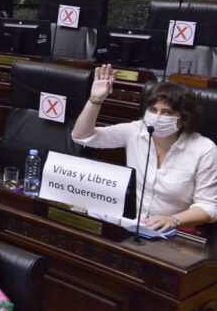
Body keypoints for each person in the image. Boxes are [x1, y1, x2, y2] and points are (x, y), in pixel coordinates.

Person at [71, 67, 217, 233]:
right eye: (153, 110)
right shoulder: (136, 130)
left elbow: (208, 207)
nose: (158, 116)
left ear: (184, 118)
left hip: (173, 231)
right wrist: (95, 99)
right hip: (131, 224)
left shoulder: (204, 149)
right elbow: (82, 137)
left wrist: (173, 220)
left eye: (167, 112)